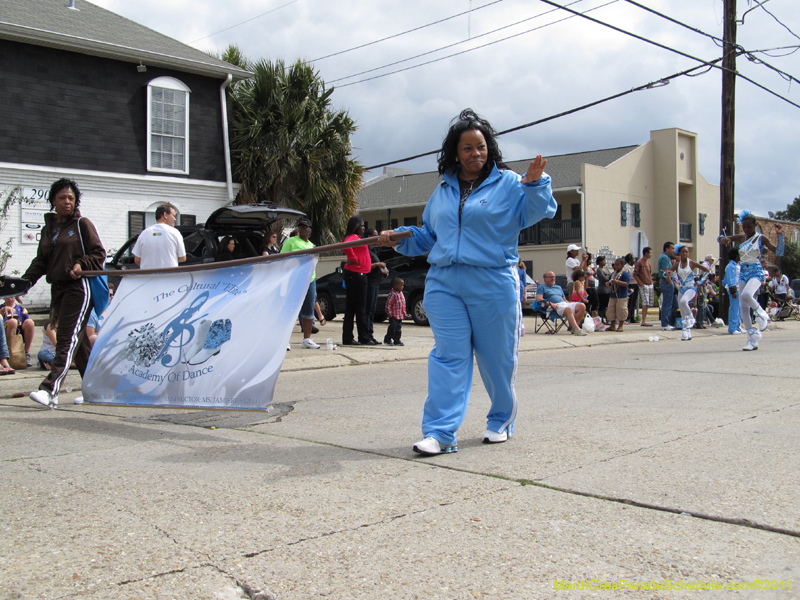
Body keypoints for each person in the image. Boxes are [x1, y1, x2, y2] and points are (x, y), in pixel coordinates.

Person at [378, 108, 557, 455]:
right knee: (448, 357)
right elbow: (429, 236)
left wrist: (536, 184)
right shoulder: (443, 189)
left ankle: (501, 420)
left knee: (496, 358)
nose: (476, 153)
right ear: (455, 153)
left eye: (481, 146)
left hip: (492, 280)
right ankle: (440, 433)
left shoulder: (509, 183)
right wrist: (398, 238)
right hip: (444, 282)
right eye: (468, 148)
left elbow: (539, 210)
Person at [23, 178, 106, 408]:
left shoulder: (82, 224)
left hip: (78, 288)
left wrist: (81, 264)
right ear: (53, 201)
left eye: (71, 198)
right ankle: (96, 391)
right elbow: (41, 261)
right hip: (58, 289)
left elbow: (98, 253)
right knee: (79, 345)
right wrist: (25, 282)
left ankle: (50, 390)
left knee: (67, 339)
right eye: (62, 198)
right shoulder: (49, 229)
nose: (67, 202)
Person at [720, 212, 784, 351]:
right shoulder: (741, 238)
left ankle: (762, 314)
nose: (746, 229)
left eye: (749, 227)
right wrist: (724, 239)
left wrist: (780, 235)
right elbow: (724, 238)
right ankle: (752, 340)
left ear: (755, 225)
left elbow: (779, 252)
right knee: (743, 307)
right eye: (744, 227)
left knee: (746, 295)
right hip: (743, 273)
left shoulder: (761, 238)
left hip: (756, 272)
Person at [280, 218, 321, 349]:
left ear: (310, 229)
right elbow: (282, 258)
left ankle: (307, 339)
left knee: (309, 310)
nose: (303, 229)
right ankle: (285, 340)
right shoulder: (291, 242)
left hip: (309, 280)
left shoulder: (312, 245)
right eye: (301, 226)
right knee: (290, 309)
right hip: (294, 279)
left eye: (306, 227)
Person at [342, 216, 374, 346]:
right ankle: (364, 337)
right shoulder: (353, 237)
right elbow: (345, 245)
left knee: (350, 308)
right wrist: (353, 258)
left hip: (355, 274)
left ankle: (348, 337)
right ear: (355, 227)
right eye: (361, 225)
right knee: (361, 308)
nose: (364, 228)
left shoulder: (356, 238)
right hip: (357, 274)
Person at [672, 245, 709, 341]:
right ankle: (686, 332)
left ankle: (691, 317)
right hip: (681, 289)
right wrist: (667, 273)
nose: (685, 253)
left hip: (691, 288)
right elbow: (669, 272)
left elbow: (707, 271)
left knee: (683, 301)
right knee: (682, 312)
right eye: (683, 252)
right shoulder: (677, 265)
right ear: (679, 253)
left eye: (686, 252)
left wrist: (700, 281)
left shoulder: (692, 263)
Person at [132, 203, 186, 269]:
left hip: (148, 275)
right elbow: (182, 258)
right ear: (165, 215)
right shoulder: (174, 233)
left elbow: (137, 260)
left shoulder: (144, 233)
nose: (175, 219)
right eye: (173, 216)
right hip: (169, 274)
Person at [365, 229, 388, 345]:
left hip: (376, 283)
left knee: (372, 310)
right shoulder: (365, 250)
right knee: (368, 310)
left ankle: (371, 335)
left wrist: (383, 271)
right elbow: (366, 266)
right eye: (375, 236)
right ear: (369, 236)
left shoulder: (373, 250)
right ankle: (366, 336)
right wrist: (378, 264)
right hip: (369, 283)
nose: (377, 238)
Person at [2, 297, 35, 366]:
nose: (10, 298)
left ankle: (26, 352)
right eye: (7, 296)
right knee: (12, 322)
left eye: (12, 296)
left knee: (30, 322)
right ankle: (10, 352)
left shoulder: (21, 309)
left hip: (19, 331)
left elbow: (26, 321)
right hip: (5, 332)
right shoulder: (1, 308)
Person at [606, 258, 630, 332]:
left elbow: (626, 284)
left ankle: (620, 326)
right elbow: (610, 281)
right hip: (613, 295)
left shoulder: (625, 274)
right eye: (615, 265)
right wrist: (609, 283)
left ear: (622, 265)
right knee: (611, 310)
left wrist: (617, 282)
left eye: (617, 265)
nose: (616, 266)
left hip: (621, 296)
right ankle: (612, 325)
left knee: (621, 310)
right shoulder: (613, 274)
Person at [722, 247, 742, 334]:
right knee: (734, 309)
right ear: (736, 256)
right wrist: (733, 291)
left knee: (739, 309)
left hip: (739, 289)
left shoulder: (738, 265)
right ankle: (732, 328)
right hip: (734, 289)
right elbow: (730, 279)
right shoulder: (730, 266)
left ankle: (738, 326)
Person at [633, 247, 654, 327]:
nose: (651, 255)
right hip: (644, 285)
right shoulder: (639, 263)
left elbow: (649, 273)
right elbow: (635, 274)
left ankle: (645, 319)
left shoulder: (648, 264)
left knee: (649, 302)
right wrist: (641, 283)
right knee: (645, 302)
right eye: (650, 253)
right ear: (646, 253)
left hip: (649, 284)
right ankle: (643, 321)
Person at [658, 241, 677, 330]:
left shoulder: (665, 257)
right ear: (667, 249)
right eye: (672, 248)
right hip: (667, 282)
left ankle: (666, 323)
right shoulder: (665, 258)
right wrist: (670, 282)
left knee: (668, 303)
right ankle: (665, 324)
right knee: (667, 303)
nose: (673, 250)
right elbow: (666, 272)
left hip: (666, 282)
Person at [384, 277, 406, 346]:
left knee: (398, 328)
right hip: (394, 315)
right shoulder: (392, 294)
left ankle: (397, 340)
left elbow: (402, 303)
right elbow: (388, 303)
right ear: (396, 286)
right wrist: (388, 311)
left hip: (400, 314)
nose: (403, 287)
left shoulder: (401, 293)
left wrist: (404, 312)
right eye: (401, 285)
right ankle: (388, 339)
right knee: (392, 328)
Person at [623, 253, 638, 323]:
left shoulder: (635, 267)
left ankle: (632, 317)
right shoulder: (626, 267)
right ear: (629, 260)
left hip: (635, 284)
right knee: (630, 302)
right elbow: (626, 276)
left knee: (634, 302)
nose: (634, 260)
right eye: (633, 259)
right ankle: (627, 317)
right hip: (630, 285)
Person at [595, 256, 611, 323]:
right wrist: (608, 278)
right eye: (603, 261)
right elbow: (604, 278)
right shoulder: (599, 269)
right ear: (600, 262)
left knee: (607, 305)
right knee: (602, 305)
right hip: (602, 290)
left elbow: (611, 276)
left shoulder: (606, 269)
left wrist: (609, 278)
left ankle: (607, 318)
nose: (605, 262)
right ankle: (601, 318)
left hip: (608, 289)